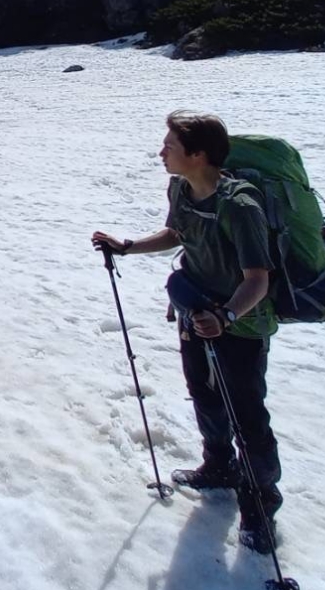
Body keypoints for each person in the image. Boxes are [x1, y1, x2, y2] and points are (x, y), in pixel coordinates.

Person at [92, 110, 284, 554]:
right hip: (195, 310)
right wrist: (129, 246)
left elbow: (258, 279)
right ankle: (219, 467)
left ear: (198, 155)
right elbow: (178, 232)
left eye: (170, 147)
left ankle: (260, 508)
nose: (161, 152)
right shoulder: (181, 187)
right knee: (203, 392)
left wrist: (228, 317)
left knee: (247, 415)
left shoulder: (241, 205)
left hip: (241, 324)